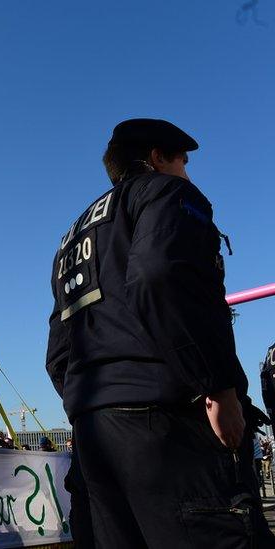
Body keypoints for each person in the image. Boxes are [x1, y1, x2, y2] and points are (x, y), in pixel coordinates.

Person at [45, 119, 274, 546]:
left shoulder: (71, 239)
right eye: (183, 162)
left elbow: (59, 345)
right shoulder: (167, 193)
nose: (188, 173)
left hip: (95, 434)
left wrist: (93, 403)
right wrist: (217, 385)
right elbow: (158, 275)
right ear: (156, 158)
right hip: (168, 426)